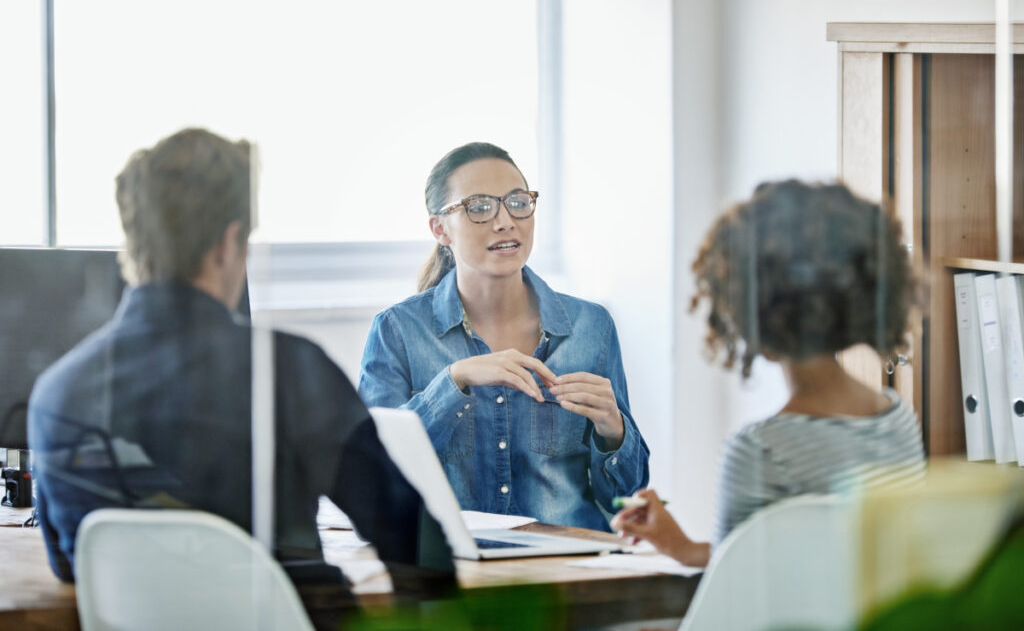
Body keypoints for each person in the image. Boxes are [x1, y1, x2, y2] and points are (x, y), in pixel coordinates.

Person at [27, 128, 454, 609]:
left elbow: (74, 564)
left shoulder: (57, 391)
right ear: (229, 243)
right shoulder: (291, 371)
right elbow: (416, 547)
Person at [612, 179, 925, 567]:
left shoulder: (761, 451)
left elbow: (740, 598)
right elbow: (827, 574)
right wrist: (687, 549)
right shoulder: (898, 420)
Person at [358, 142, 650, 531]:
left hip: (568, 572)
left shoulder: (592, 327)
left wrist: (614, 431)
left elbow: (625, 500)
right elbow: (369, 478)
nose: (505, 221)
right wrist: (453, 381)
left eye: (517, 201)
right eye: (479, 207)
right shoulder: (397, 331)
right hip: (453, 570)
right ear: (440, 228)